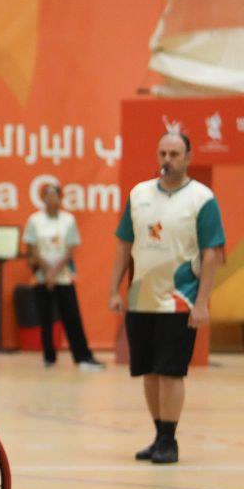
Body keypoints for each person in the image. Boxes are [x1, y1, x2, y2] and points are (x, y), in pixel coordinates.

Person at [108, 131, 225, 465]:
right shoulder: (139, 194)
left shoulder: (202, 199)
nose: (167, 160)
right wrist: (114, 289)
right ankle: (159, 433)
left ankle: (169, 440)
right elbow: (124, 245)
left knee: (171, 372)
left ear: (188, 157)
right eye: (163, 153)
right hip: (141, 298)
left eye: (174, 154)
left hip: (179, 300)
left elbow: (212, 254)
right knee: (149, 371)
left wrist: (202, 302)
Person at [24, 184, 102, 370]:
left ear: (60, 198)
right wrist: (47, 272)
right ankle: (49, 357)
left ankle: (82, 356)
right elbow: (32, 249)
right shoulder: (34, 220)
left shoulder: (68, 220)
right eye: (48, 195)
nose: (52, 199)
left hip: (63, 276)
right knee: (45, 318)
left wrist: (54, 272)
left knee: (72, 316)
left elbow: (70, 251)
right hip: (42, 277)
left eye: (55, 195)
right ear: (43, 199)